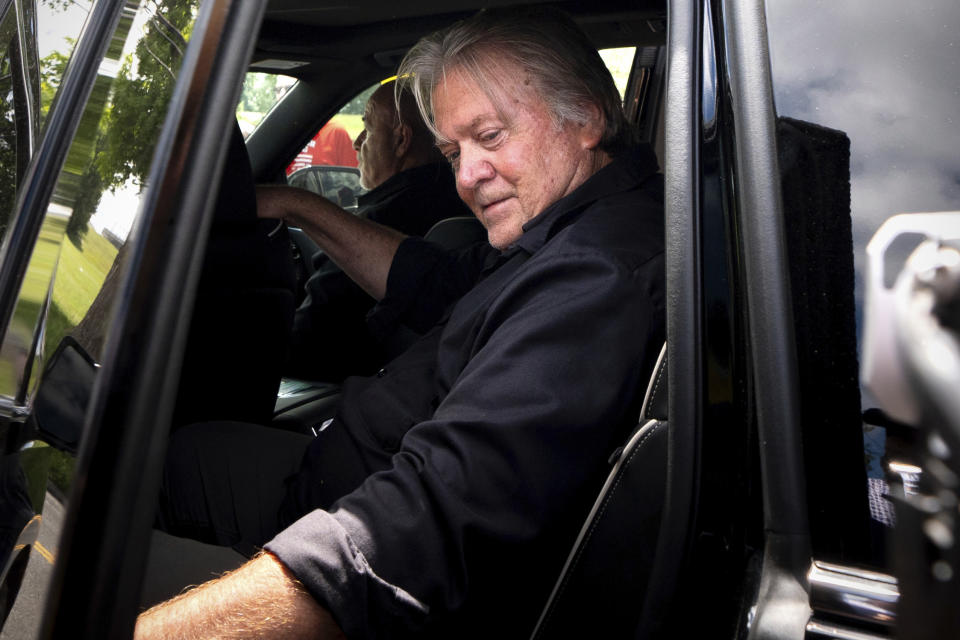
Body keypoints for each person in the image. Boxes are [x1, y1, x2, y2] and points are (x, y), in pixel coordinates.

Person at [137, 6, 665, 639]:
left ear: (584, 117)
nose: (466, 177)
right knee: (180, 451)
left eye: (490, 137)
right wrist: (296, 206)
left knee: (137, 489)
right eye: (452, 151)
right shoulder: (565, 228)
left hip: (342, 514)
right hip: (339, 473)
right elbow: (431, 280)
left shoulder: (593, 278)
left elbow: (418, 530)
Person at [270, 81, 473, 380]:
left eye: (368, 127)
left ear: (401, 140)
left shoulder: (374, 228)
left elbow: (305, 346)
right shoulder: (465, 203)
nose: (356, 141)